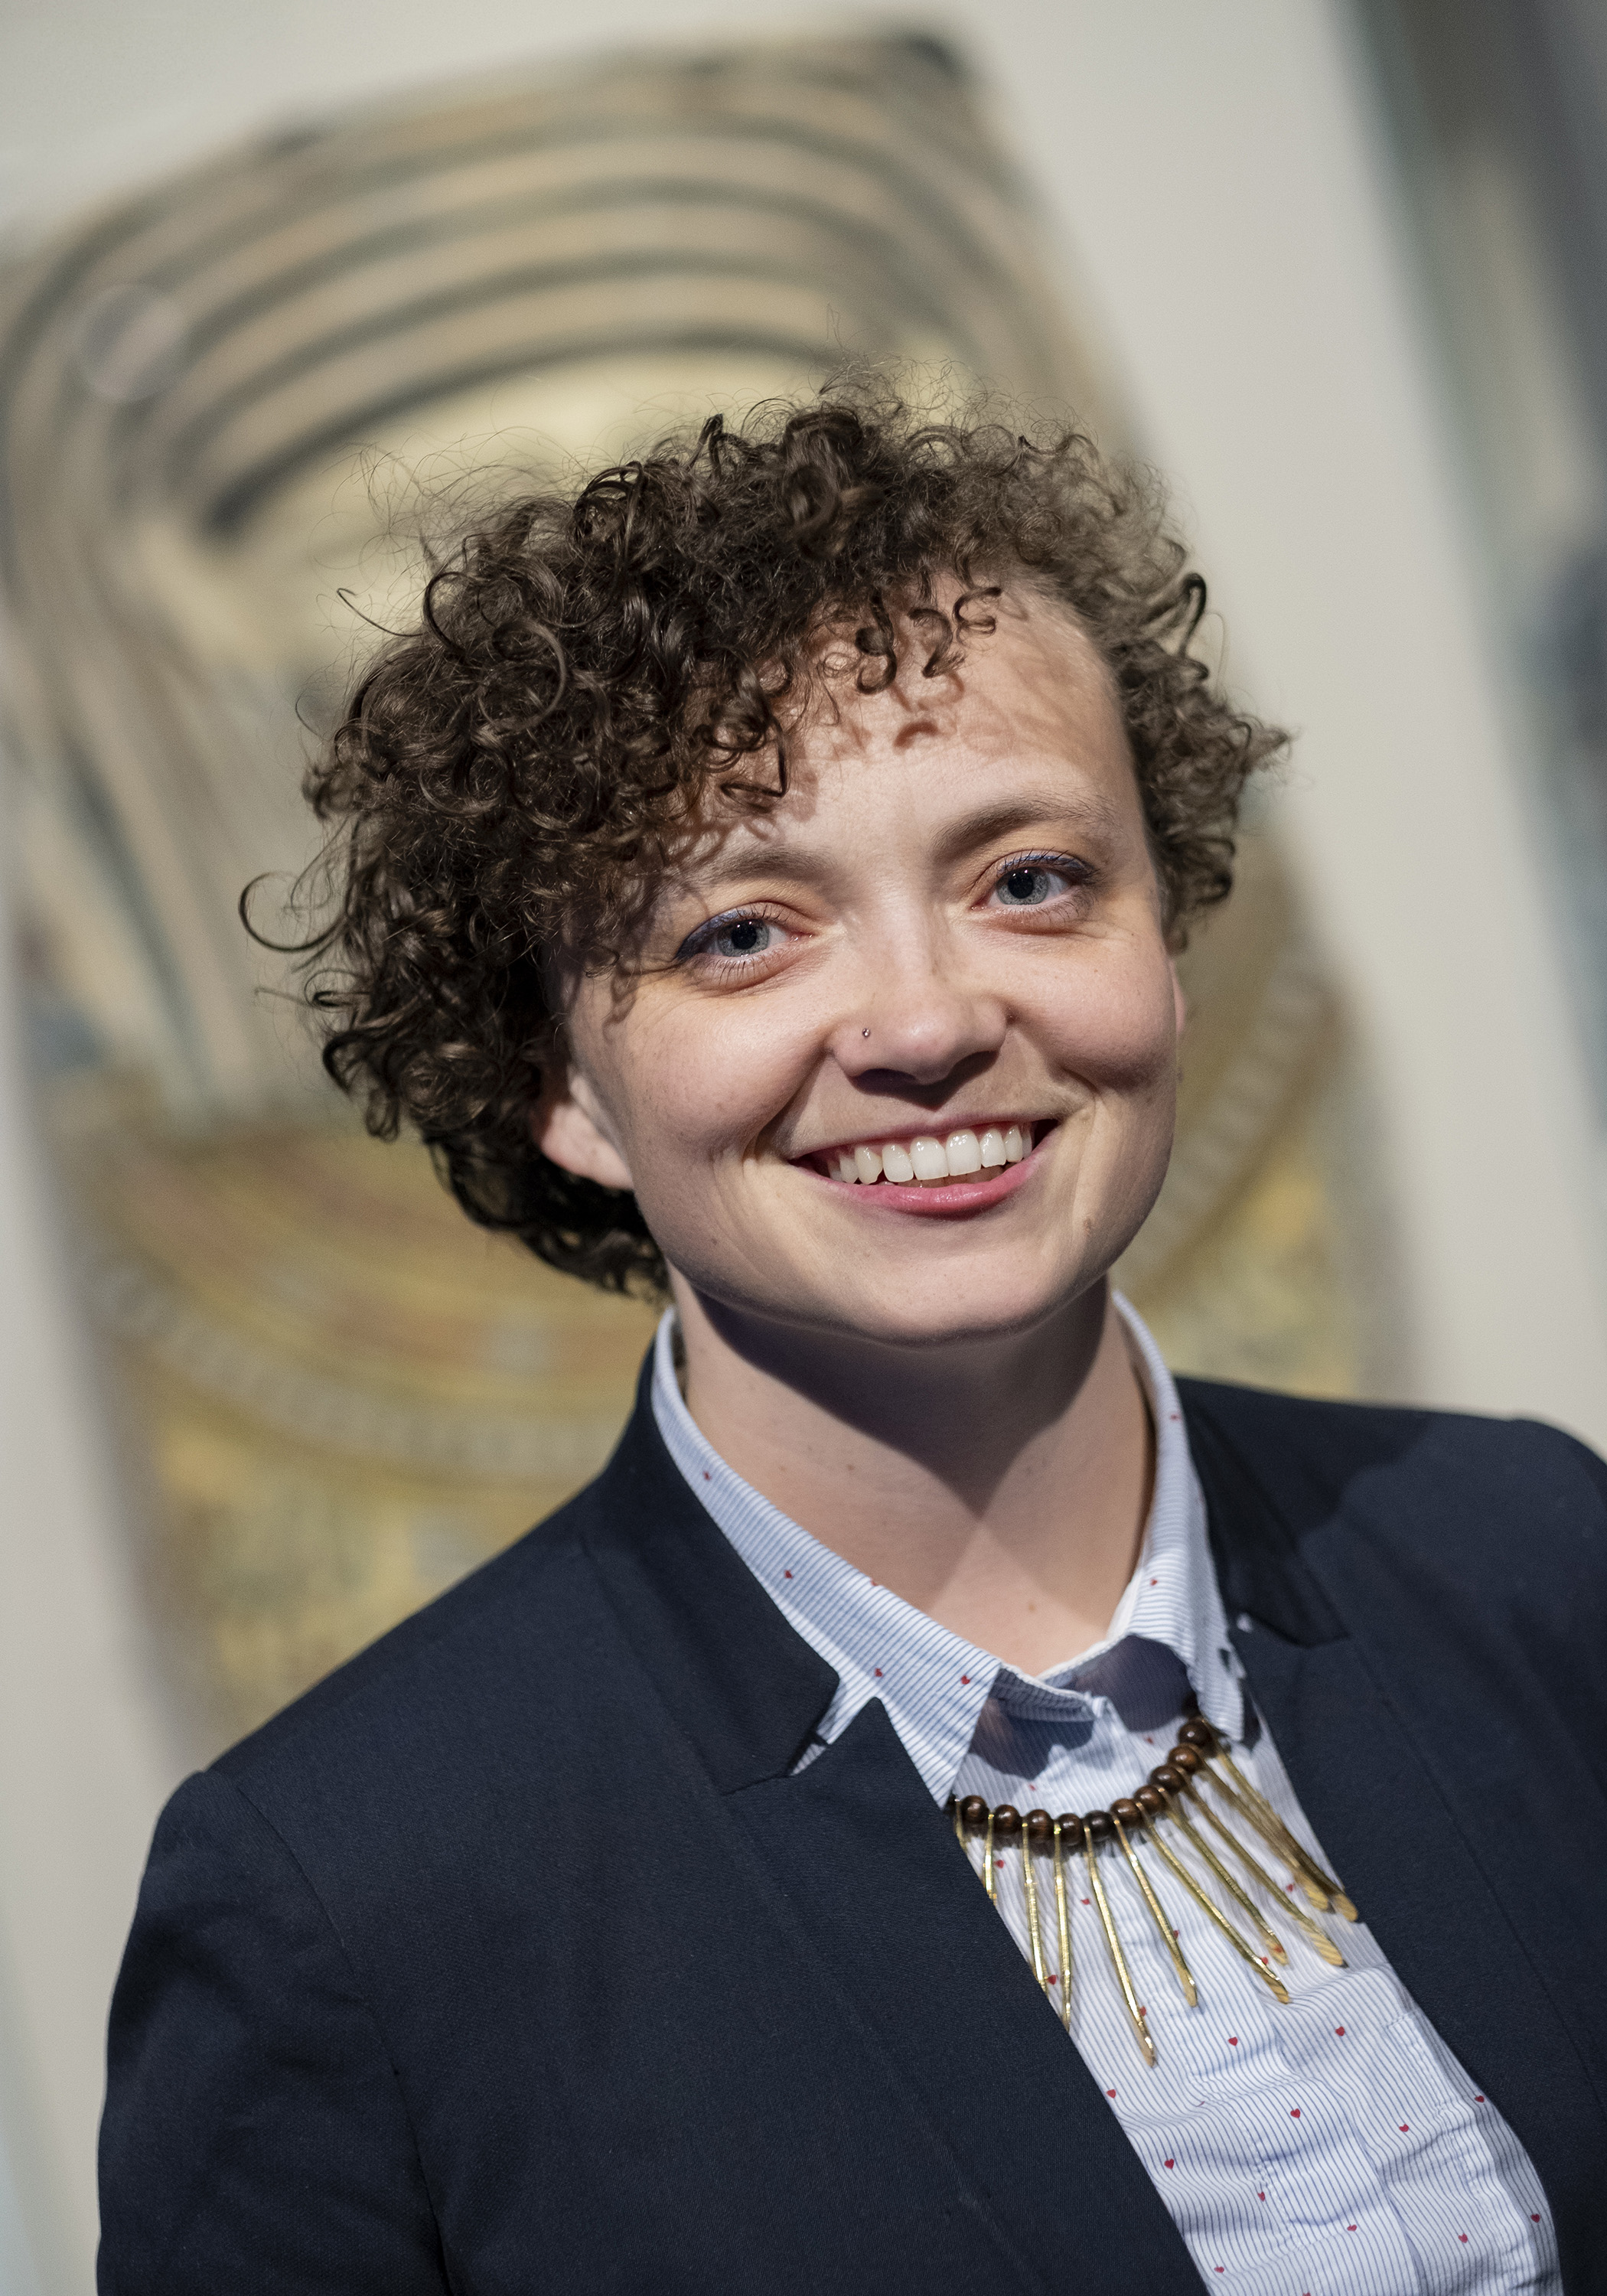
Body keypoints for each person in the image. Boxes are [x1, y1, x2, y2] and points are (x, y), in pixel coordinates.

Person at [98, 393, 1606, 2294]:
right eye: (744, 930)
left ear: (1168, 929)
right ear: (556, 1079)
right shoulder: (347, 1899)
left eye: (1031, 880)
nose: (922, 1021)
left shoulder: (1529, 1551)